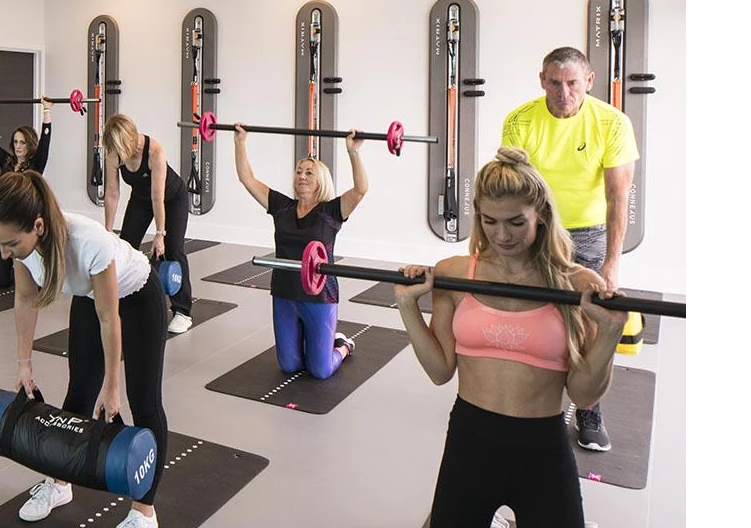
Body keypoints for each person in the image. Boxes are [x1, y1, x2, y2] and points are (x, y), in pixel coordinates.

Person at [394, 148, 627, 527]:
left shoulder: (576, 285)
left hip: (543, 446)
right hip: (470, 439)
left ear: (542, 215)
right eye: (490, 221)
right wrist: (407, 307)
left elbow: (584, 395)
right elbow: (440, 371)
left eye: (517, 222)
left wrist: (611, 333)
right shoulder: (455, 275)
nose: (502, 235)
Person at [0, 171, 169, 528]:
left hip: (138, 297)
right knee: (79, 392)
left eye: (9, 244)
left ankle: (144, 511)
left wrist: (112, 386)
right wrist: (24, 364)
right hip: (90, 297)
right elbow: (24, 299)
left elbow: (109, 318)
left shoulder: (87, 241)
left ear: (37, 226)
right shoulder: (24, 247)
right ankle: (60, 484)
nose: (5, 255)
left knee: (143, 401)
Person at [501, 46, 640, 452]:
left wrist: (612, 265)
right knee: (526, 314)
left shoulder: (612, 123)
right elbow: (510, 189)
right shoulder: (520, 120)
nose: (565, 92)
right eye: (556, 83)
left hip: (589, 232)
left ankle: (589, 408)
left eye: (573, 83)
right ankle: (520, 400)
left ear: (589, 82)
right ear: (542, 80)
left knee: (588, 321)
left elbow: (619, 197)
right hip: (536, 229)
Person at [231, 123, 367, 377]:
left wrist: (353, 152)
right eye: (298, 171)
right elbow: (247, 179)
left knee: (321, 370)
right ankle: (312, 339)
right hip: (284, 292)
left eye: (309, 173)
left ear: (321, 180)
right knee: (290, 366)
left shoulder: (331, 212)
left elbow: (360, 190)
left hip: (319, 297)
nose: (302, 176)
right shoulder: (282, 207)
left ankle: (343, 345)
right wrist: (240, 142)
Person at [101, 114, 193, 334]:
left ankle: (183, 312)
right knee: (125, 246)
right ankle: (124, 299)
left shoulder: (155, 153)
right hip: (141, 200)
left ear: (129, 140)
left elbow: (157, 197)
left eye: (119, 147)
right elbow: (112, 193)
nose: (116, 153)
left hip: (172, 198)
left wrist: (159, 234)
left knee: (172, 249)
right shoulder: (114, 152)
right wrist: (107, 230)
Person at [0, 97, 53, 288]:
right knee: (1, 283)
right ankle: (12, 268)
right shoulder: (7, 161)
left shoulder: (36, 164)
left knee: (36, 282)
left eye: (23, 143)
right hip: (5, 220)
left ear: (30, 145)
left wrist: (47, 110)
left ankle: (38, 270)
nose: (19, 146)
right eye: (16, 142)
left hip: (27, 219)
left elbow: (46, 140)